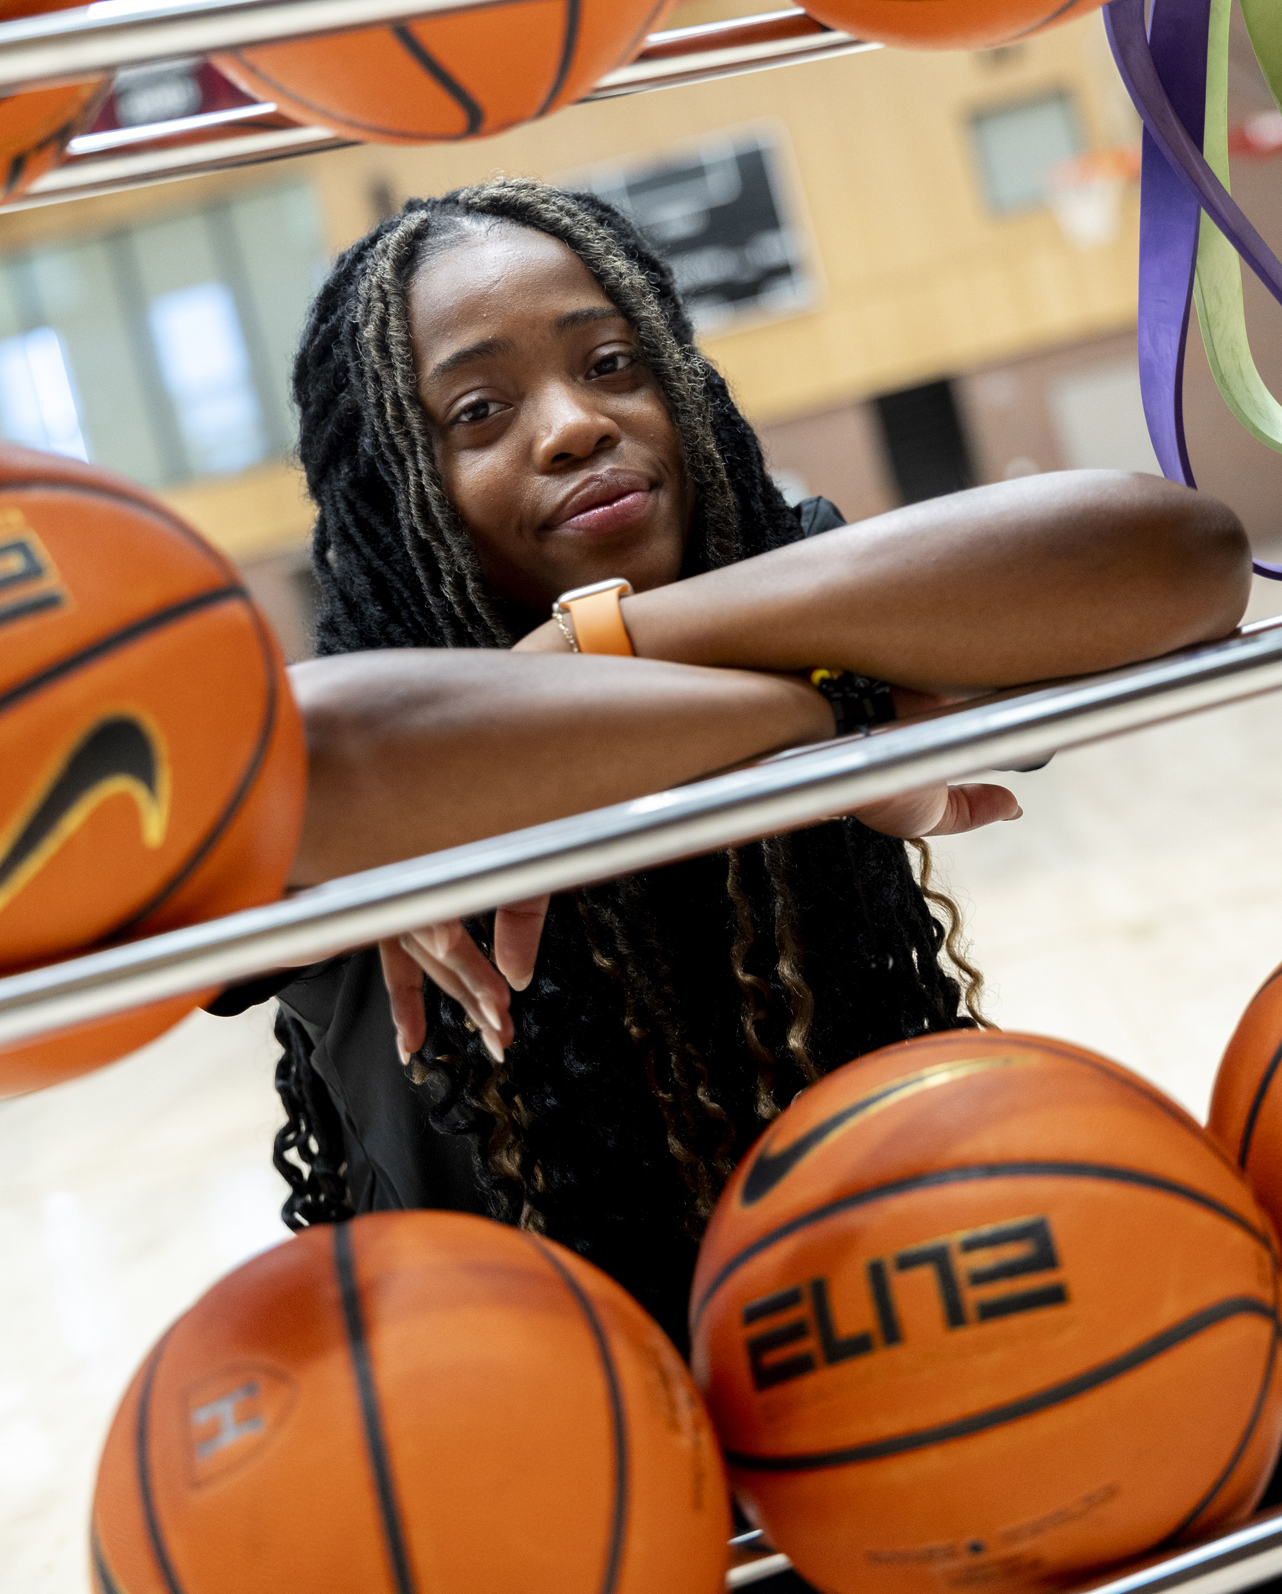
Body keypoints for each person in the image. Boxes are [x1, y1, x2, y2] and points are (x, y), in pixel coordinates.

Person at [256, 177, 1249, 1348]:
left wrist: (601, 639)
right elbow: (310, 757)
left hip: (910, 1347)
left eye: (615, 363)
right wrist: (830, 722)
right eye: (477, 412)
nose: (572, 422)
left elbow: (1182, 555)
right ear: (390, 489)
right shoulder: (387, 734)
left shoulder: (810, 603)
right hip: (526, 1427)